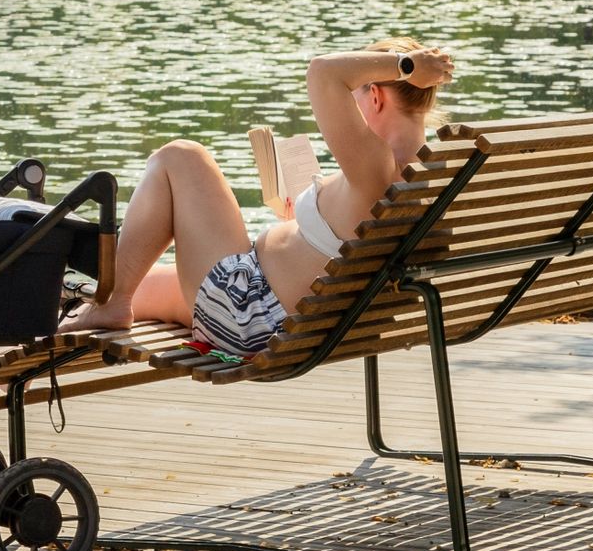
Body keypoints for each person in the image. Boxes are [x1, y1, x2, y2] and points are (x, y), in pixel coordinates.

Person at [62, 39, 454, 357]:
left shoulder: (377, 166)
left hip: (250, 312)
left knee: (180, 156)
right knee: (135, 287)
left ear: (376, 97)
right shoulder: (432, 171)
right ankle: (92, 301)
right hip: (283, 308)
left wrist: (404, 64)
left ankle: (114, 302)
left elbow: (322, 72)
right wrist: (299, 225)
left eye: (357, 91)